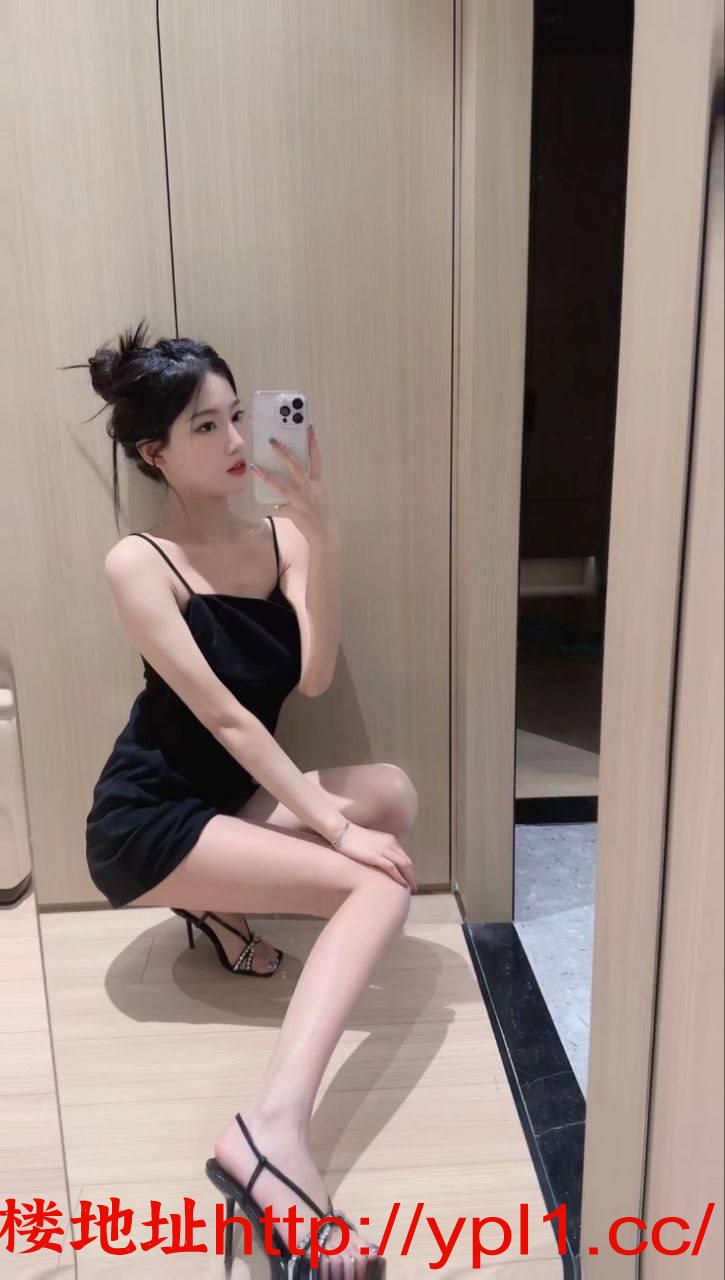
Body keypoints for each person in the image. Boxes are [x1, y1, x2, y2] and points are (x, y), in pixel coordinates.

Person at [68, 320, 419, 1275]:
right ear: (154, 453)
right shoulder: (139, 562)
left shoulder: (280, 537)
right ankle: (269, 1134)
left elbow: (312, 677)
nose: (232, 441)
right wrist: (332, 828)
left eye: (235, 416)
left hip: (232, 798)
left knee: (392, 796)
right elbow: (225, 718)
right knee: (378, 885)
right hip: (150, 819)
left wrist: (324, 534)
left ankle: (217, 903)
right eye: (203, 427)